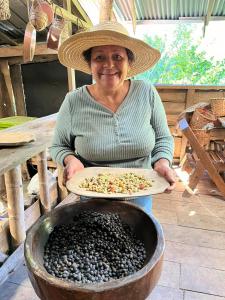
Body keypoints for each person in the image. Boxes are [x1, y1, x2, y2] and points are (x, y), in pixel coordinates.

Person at [50, 21, 176, 214]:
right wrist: (70, 160)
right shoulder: (73, 101)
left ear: (129, 62)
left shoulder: (146, 92)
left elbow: (163, 138)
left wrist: (162, 162)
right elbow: (59, 146)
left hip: (140, 192)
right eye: (99, 57)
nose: (109, 65)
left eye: (117, 56)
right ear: (90, 64)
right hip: (92, 196)